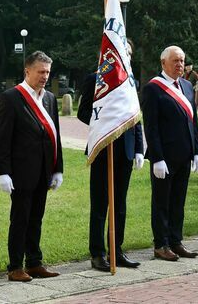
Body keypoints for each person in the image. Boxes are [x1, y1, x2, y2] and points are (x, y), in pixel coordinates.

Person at [0, 51, 64, 282]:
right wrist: (3, 172)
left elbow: (56, 135)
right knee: (20, 219)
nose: (44, 76)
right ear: (27, 71)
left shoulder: (50, 99)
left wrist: (58, 168)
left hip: (44, 170)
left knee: (36, 218)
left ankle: (34, 263)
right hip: (21, 171)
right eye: (40, 71)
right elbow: (2, 139)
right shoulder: (11, 97)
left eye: (47, 72)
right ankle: (15, 266)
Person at [77, 42, 144, 272]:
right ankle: (97, 253)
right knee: (100, 204)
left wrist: (138, 148)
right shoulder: (94, 79)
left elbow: (135, 117)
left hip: (124, 150)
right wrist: (105, 126)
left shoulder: (130, 82)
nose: (124, 55)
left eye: (128, 52)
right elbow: (83, 111)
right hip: (102, 148)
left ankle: (117, 249)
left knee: (120, 204)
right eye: (120, 51)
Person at [141, 45, 198, 262]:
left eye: (182, 60)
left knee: (178, 202)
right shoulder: (153, 88)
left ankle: (176, 241)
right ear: (163, 63)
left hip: (185, 155)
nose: (180, 65)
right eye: (175, 61)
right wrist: (157, 158)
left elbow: (192, 121)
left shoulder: (186, 85)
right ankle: (161, 244)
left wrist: (197, 151)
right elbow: (151, 127)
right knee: (162, 203)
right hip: (164, 158)